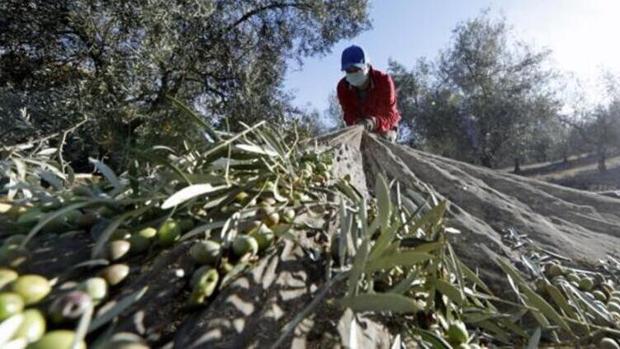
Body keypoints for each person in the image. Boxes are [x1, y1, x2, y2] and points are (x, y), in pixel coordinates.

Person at [336, 45, 401, 142]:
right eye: (348, 71)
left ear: (367, 66)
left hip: (385, 127)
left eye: (356, 69)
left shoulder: (384, 81)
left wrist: (374, 122)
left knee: (385, 138)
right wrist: (356, 122)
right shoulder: (342, 87)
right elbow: (348, 113)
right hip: (360, 128)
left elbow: (390, 115)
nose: (353, 73)